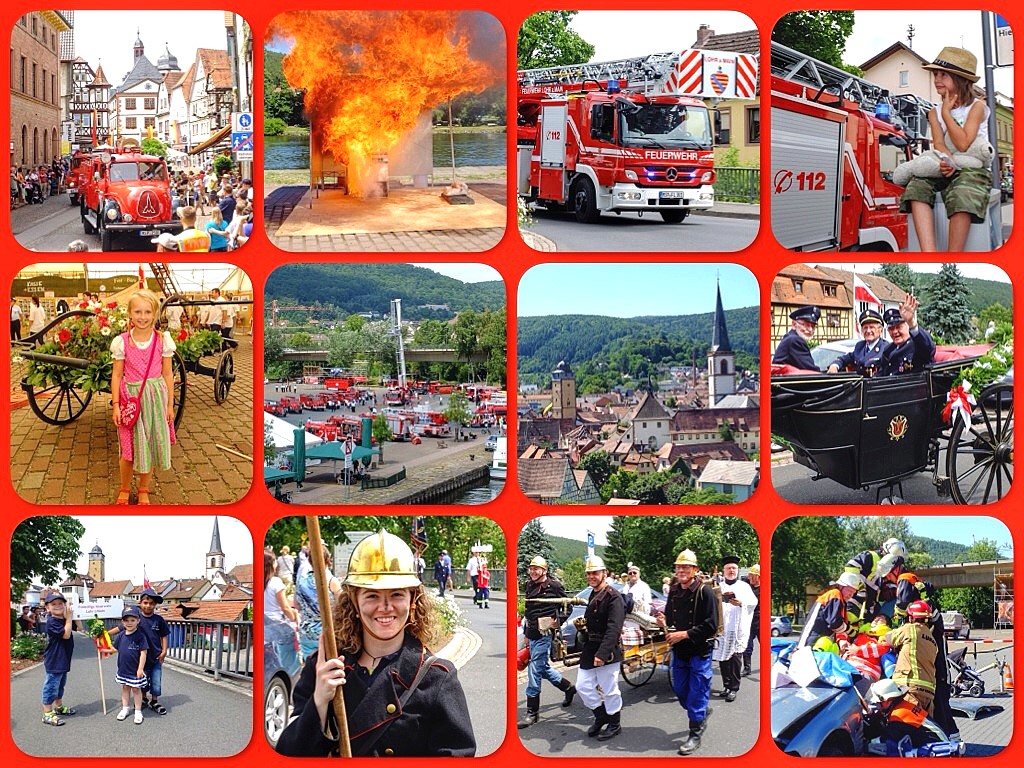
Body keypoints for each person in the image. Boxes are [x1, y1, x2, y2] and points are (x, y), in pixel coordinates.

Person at [275, 530, 476, 756]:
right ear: (354, 601)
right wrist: (320, 701)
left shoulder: (437, 677)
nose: (385, 607)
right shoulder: (323, 667)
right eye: (372, 595)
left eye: (397, 594)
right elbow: (288, 753)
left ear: (412, 600)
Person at [900, 46, 992, 252]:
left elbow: (963, 143)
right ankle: (928, 253)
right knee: (916, 187)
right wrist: (947, 161)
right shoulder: (933, 112)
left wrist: (947, 114)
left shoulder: (977, 107)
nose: (937, 79)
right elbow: (939, 143)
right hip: (947, 163)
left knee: (962, 192)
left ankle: (954, 255)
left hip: (973, 168)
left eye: (943, 75)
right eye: (935, 74)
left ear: (960, 79)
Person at [110, 289, 176, 505]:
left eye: (147, 312)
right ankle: (124, 487)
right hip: (132, 400)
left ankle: (144, 488)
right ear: (129, 313)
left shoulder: (163, 340)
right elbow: (117, 374)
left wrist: (169, 405)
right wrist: (116, 405)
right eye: (137, 311)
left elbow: (167, 373)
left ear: (155, 314)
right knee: (128, 449)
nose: (142, 316)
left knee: (150, 444)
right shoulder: (122, 342)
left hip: (156, 398)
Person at [658, 549, 719, 754]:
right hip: (680, 651)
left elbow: (711, 624)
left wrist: (683, 634)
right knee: (681, 691)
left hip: (700, 650)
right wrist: (663, 622)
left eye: (686, 567)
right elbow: (669, 617)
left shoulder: (705, 592)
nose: (681, 570)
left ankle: (695, 733)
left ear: (695, 569)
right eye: (678, 567)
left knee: (698, 691)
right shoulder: (674, 591)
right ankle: (700, 713)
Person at [518, 555, 576, 729]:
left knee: (535, 669)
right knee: (543, 669)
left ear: (544, 570)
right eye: (531, 568)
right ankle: (568, 688)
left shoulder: (554, 586)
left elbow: (568, 606)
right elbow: (529, 613)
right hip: (533, 633)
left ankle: (532, 712)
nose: (533, 572)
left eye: (536, 569)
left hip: (545, 634)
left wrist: (557, 623)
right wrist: (527, 634)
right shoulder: (529, 586)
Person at [575, 555, 625, 741]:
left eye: (595, 573)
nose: (591, 576)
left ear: (604, 573)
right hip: (591, 647)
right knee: (582, 685)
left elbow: (614, 628)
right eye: (588, 574)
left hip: (607, 649)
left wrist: (603, 654)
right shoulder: (593, 593)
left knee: (609, 688)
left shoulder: (614, 597)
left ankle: (614, 724)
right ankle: (601, 715)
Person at [712, 555, 756, 702]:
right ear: (724, 571)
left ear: (737, 570)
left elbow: (752, 602)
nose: (731, 570)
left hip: (737, 627)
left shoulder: (744, 586)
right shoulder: (719, 586)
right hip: (723, 627)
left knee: (735, 659)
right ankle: (726, 685)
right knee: (723, 658)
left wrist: (741, 603)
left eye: (734, 568)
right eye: (728, 568)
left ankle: (734, 688)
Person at [885, 600, 939, 716]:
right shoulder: (932, 639)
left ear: (911, 617)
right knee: (922, 730)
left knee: (903, 725)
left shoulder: (910, 629)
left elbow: (888, 638)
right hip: (928, 692)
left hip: (910, 687)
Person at [295, 543, 342, 660]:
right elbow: (343, 607)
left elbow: (297, 605)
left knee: (310, 667)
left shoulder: (301, 581)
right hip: (327, 632)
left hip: (306, 632)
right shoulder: (332, 581)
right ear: (327, 559)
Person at [844, 537, 906, 624]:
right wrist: (859, 587)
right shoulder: (870, 557)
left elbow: (880, 592)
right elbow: (850, 568)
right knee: (849, 624)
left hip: (869, 608)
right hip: (853, 601)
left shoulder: (888, 568)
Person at [41, 592, 76, 726]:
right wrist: (69, 618)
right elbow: (66, 635)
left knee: (60, 685)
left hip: (64, 658)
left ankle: (58, 706)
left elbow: (78, 627)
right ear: (47, 608)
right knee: (51, 686)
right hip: (55, 659)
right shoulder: (52, 621)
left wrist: (76, 614)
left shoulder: (64, 618)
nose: (57, 606)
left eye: (60, 603)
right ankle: (47, 713)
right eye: (53, 604)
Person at [877, 296, 936, 375]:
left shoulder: (917, 344)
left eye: (898, 327)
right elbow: (880, 375)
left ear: (907, 326)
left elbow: (928, 347)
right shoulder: (888, 350)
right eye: (891, 328)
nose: (895, 332)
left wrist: (912, 323)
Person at [265, 550, 300, 676]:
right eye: (274, 561)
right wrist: (294, 617)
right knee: (289, 658)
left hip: (265, 626)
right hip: (278, 625)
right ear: (271, 564)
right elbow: (285, 608)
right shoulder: (275, 582)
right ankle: (288, 677)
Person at [112, 605, 149, 724]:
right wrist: (102, 649)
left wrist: (140, 669)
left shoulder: (140, 636)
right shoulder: (121, 635)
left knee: (136, 689)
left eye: (132, 620)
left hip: (135, 670)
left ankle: (138, 711)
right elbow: (113, 649)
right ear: (122, 622)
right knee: (125, 688)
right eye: (126, 620)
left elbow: (143, 653)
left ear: (138, 621)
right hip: (123, 669)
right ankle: (125, 708)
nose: (129, 623)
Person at [805, 571, 863, 647]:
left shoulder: (839, 599)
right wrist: (852, 633)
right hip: (812, 641)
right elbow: (835, 623)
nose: (850, 595)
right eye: (849, 590)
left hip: (819, 641)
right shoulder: (835, 594)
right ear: (841, 586)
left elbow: (839, 623)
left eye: (853, 592)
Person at [137, 588, 170, 715]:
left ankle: (154, 700)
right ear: (141, 603)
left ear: (155, 605)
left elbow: (164, 635)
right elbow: (122, 628)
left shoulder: (159, 619)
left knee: (156, 679)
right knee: (143, 679)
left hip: (156, 656)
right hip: (142, 657)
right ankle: (143, 698)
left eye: (151, 603)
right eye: (145, 602)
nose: (148, 606)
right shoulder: (136, 619)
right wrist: (104, 633)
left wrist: (164, 651)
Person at [827, 309, 889, 375]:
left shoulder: (886, 348)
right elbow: (844, 359)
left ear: (880, 330)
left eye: (872, 327)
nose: (868, 331)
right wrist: (835, 365)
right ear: (862, 330)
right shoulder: (860, 346)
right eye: (865, 328)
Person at [772, 305, 820, 370]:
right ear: (794, 325)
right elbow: (811, 371)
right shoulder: (795, 341)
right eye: (805, 325)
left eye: (813, 326)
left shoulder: (790, 337)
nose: (810, 330)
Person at [742, 563, 761, 677]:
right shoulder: (746, 587)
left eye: (752, 576)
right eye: (749, 576)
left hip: (760, 621)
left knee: (765, 645)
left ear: (758, 576)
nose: (750, 578)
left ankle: (769, 665)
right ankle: (747, 667)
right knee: (747, 646)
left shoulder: (765, 588)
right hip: (748, 620)